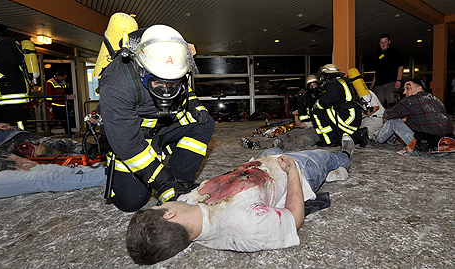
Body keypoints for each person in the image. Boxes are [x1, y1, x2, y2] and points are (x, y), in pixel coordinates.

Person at [125, 135, 355, 265]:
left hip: (262, 163)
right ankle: (343, 158)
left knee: (274, 145)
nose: (165, 201)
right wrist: (292, 171)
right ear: (169, 214)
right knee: (326, 156)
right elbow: (294, 219)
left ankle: (322, 168)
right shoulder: (245, 226)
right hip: (297, 172)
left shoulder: (188, 210)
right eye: (161, 205)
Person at [98, 25, 214, 212]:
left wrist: (195, 105)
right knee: (131, 203)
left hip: (162, 128)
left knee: (203, 123)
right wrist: (163, 183)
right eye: (159, 82)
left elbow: (184, 90)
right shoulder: (116, 83)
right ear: (142, 69)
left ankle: (180, 180)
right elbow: (128, 143)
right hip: (134, 137)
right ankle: (160, 177)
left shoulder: (171, 66)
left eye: (172, 82)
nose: (166, 89)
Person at [0, 122, 106, 204]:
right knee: (43, 179)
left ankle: (103, 172)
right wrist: (12, 165)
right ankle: (112, 177)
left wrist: (15, 158)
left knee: (47, 167)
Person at [240, 75, 321, 151]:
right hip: (309, 126)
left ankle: (282, 147)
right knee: (286, 135)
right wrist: (296, 115)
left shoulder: (323, 100)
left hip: (319, 131)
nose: (312, 87)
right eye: (310, 85)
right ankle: (259, 145)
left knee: (303, 140)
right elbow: (300, 125)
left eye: (314, 85)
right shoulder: (306, 100)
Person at [374, 79, 454, 154]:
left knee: (393, 121)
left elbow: (388, 114)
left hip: (425, 146)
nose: (404, 92)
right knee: (406, 121)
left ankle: (376, 140)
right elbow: (427, 119)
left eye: (407, 88)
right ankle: (391, 139)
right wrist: (406, 118)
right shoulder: (436, 99)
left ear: (419, 88)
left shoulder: (410, 100)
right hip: (446, 144)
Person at [311, 64, 362, 146]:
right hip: (352, 114)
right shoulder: (343, 81)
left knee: (317, 112)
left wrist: (316, 104)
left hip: (348, 116)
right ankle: (356, 135)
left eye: (322, 77)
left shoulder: (334, 84)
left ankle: (328, 141)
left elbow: (325, 102)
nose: (322, 79)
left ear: (327, 76)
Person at [0, 122, 93, 157]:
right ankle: (73, 157)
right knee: (39, 150)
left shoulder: (7, 130)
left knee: (55, 142)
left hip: (20, 134)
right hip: (7, 144)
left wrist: (9, 127)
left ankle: (86, 149)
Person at [370, 34, 404, 108]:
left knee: (391, 102)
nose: (383, 44)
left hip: (390, 82)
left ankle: (393, 119)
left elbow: (400, 67)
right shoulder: (378, 55)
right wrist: (373, 82)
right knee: (378, 103)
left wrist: (399, 80)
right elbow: (377, 70)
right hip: (379, 84)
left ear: (389, 42)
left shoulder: (395, 53)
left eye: (385, 42)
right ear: (379, 44)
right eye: (381, 42)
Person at [46, 69, 72, 134]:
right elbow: (48, 94)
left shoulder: (62, 82)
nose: (65, 78)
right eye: (64, 77)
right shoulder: (50, 82)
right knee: (58, 119)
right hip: (56, 104)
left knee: (62, 118)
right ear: (60, 76)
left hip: (62, 103)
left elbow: (64, 91)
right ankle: (49, 130)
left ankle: (67, 130)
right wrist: (49, 105)